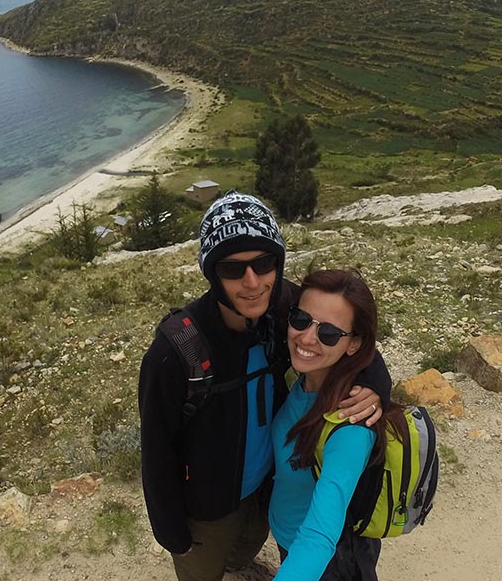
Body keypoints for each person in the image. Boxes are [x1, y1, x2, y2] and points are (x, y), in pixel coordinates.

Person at [139, 191, 391, 581]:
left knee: (242, 552)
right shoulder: (175, 350)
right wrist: (170, 531)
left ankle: (239, 567)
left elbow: (349, 340)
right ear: (211, 273)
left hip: (264, 489)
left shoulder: (286, 307)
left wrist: (375, 387)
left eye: (264, 262)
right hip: (207, 504)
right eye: (232, 269)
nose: (253, 282)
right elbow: (156, 448)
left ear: (278, 263)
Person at [270, 268, 392, 581]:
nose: (306, 338)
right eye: (300, 320)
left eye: (329, 334)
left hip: (330, 561)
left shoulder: (351, 424)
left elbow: (320, 534)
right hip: (291, 541)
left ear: (353, 345)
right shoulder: (310, 380)